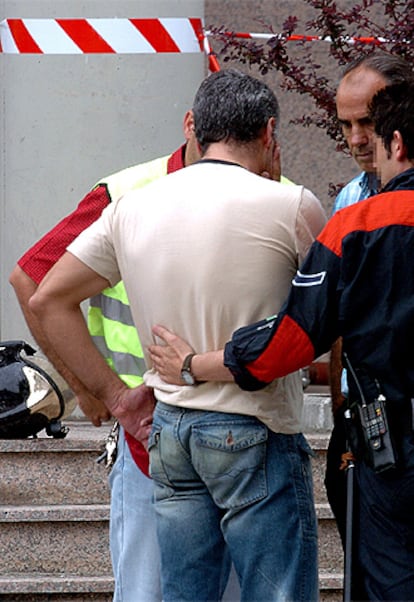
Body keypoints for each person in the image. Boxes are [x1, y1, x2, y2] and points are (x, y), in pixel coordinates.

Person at [27, 69, 326, 601]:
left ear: (195, 128)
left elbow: (46, 297)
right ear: (269, 134)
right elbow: (327, 320)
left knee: (184, 592)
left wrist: (116, 397)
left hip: (169, 431)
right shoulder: (291, 205)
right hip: (254, 427)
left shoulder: (132, 205)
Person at [149, 79, 414, 601]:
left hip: (394, 450)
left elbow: (290, 342)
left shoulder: (358, 223)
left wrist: (194, 364)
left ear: (398, 143)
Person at [9, 109, 241, 602]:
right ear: (189, 125)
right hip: (152, 435)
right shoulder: (126, 192)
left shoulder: (272, 185)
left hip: (237, 433)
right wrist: (95, 390)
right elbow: (32, 278)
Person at [326, 51, 413, 598]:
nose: (358, 138)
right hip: (364, 425)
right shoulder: (349, 200)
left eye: (367, 123)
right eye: (346, 124)